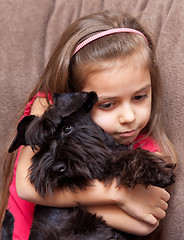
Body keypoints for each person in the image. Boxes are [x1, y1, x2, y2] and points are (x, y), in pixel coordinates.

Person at [0, 11, 177, 240]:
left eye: (139, 97)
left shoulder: (146, 149)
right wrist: (118, 195)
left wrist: (73, 198)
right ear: (77, 97)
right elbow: (26, 187)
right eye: (108, 104)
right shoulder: (48, 106)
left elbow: (144, 223)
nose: (128, 117)